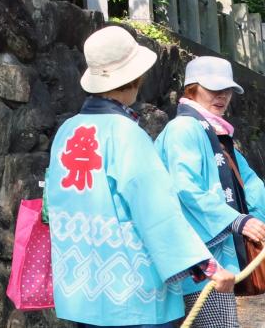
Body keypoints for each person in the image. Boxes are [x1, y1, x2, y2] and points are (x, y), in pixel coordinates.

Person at [46, 24, 233, 327]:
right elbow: (157, 213)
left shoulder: (66, 131)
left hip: (81, 293)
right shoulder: (127, 135)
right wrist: (206, 266)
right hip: (131, 295)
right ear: (136, 77)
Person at [155, 55, 265, 328]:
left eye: (227, 91)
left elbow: (248, 182)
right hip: (194, 256)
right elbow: (184, 188)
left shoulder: (213, 132)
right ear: (192, 88)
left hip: (208, 254)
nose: (222, 96)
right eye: (214, 89)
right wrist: (235, 220)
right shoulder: (183, 130)